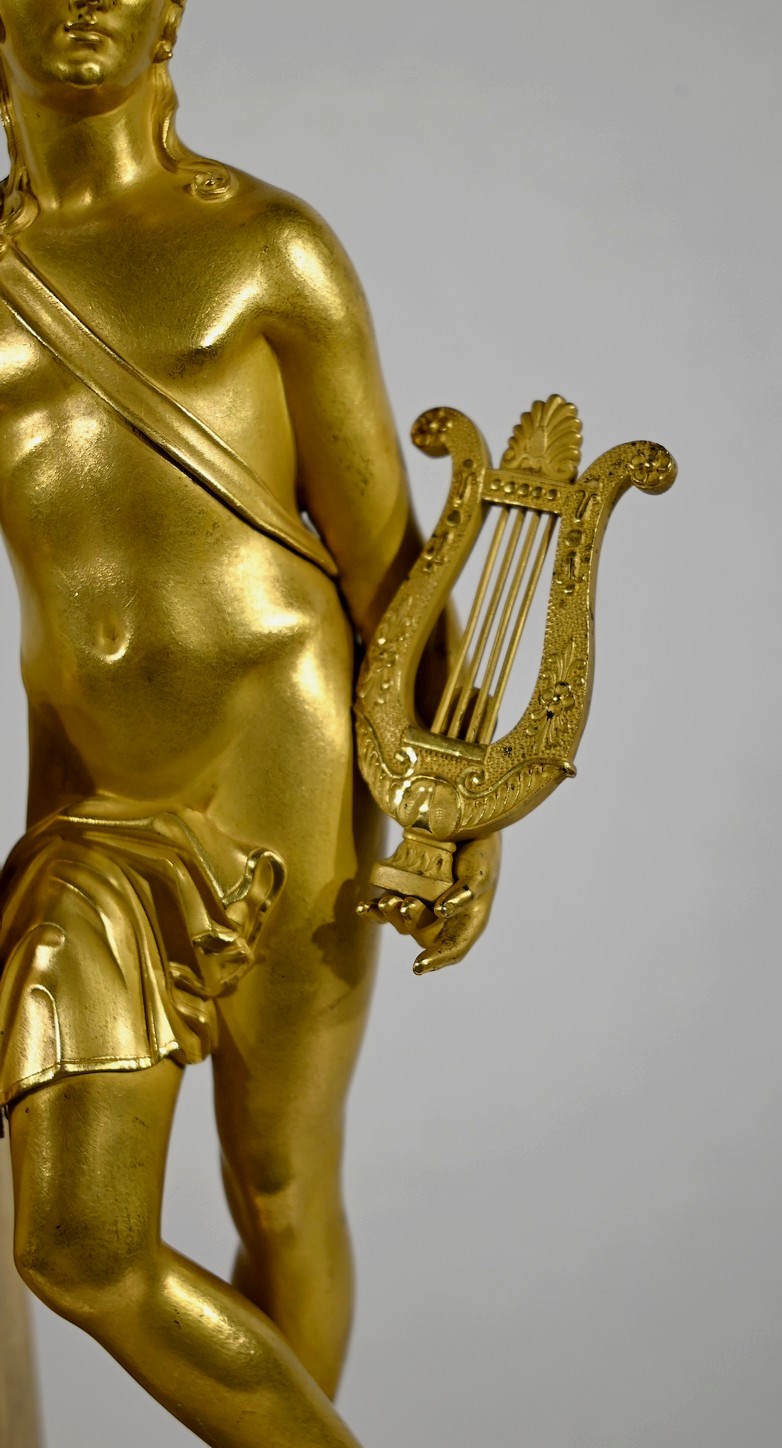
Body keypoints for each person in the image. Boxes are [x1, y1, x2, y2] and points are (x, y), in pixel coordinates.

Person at [0, 3, 497, 1444]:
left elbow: (390, 562)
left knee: (276, 1182)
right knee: (77, 1247)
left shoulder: (268, 246)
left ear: (169, 16)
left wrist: (460, 805)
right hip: (88, 796)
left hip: (288, 763)